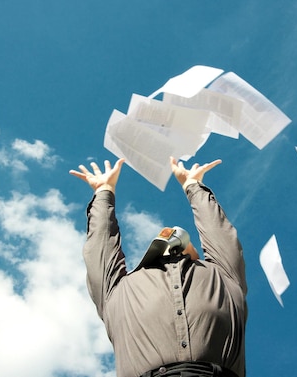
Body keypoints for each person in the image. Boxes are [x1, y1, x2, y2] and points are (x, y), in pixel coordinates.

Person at [70, 156, 247, 377]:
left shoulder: (222, 275)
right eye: (166, 237)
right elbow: (100, 245)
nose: (173, 238)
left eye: (179, 238)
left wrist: (193, 185)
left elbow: (219, 232)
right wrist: (104, 190)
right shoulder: (116, 288)